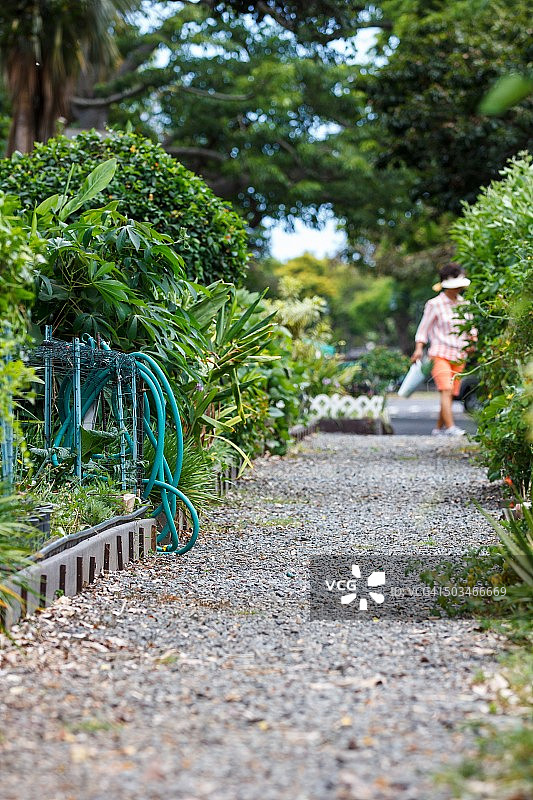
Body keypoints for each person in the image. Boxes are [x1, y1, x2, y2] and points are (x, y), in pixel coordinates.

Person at [411, 263, 476, 436]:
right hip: (439, 353)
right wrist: (419, 348)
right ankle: (451, 427)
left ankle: (438, 428)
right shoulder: (434, 304)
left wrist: (472, 342)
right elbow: (423, 329)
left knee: (450, 393)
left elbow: (471, 328)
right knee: (446, 389)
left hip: (459, 354)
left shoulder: (465, 305)